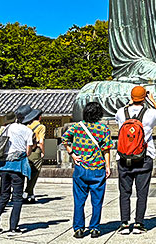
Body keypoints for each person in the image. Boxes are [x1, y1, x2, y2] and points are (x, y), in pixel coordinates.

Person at [115, 86, 156, 235]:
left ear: (131, 97)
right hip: (144, 157)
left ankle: (124, 223)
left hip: (123, 158)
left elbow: (118, 117)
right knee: (142, 192)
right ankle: (138, 223)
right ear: (144, 98)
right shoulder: (151, 113)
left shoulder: (120, 112)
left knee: (125, 192)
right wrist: (152, 100)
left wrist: (130, 103)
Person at [62, 101, 113, 239]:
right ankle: (95, 228)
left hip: (81, 168)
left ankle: (78, 229)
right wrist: (107, 166)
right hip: (97, 169)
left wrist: (72, 154)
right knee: (97, 202)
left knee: (79, 201)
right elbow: (106, 149)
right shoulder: (104, 129)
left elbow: (64, 138)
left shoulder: (77, 127)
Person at [0, 105, 34, 237]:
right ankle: (13, 228)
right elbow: (28, 152)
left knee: (3, 197)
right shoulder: (28, 131)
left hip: (4, 166)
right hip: (17, 167)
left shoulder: (8, 127)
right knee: (17, 198)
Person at [24, 109, 46, 204]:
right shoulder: (41, 127)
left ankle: (31, 195)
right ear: (39, 117)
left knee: (28, 173)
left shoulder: (27, 126)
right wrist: (43, 151)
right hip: (35, 150)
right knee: (34, 174)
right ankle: (25, 193)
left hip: (26, 150)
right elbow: (41, 141)